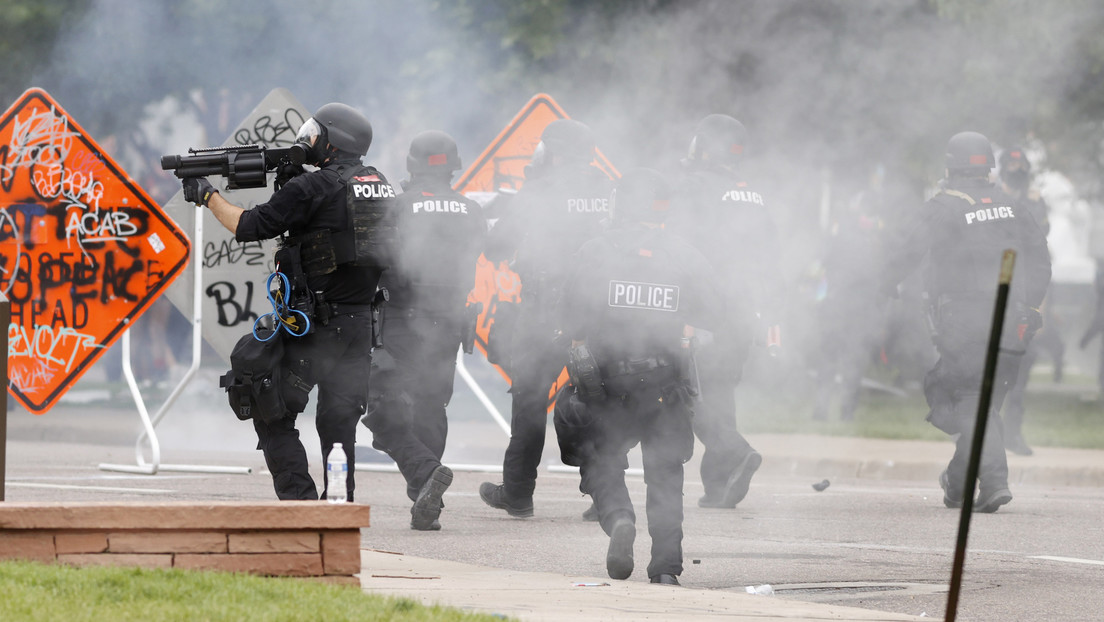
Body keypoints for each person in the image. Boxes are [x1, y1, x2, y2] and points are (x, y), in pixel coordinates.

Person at [183, 102, 388, 502]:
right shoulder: (378, 183)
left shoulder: (313, 187)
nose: (309, 138)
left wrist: (207, 195)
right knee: (338, 426)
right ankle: (339, 506)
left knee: (268, 408)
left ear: (332, 141)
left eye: (317, 132)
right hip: (360, 325)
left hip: (318, 329)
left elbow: (248, 225)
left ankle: (301, 505)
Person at [555, 168, 723, 585]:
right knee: (665, 476)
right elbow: (715, 313)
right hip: (666, 384)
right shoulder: (685, 254)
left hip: (607, 385)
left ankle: (619, 519)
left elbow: (569, 318)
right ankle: (665, 568)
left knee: (600, 457)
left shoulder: (595, 251)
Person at [881, 131, 1051, 513]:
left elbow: (905, 251)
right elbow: (1042, 260)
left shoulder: (943, 207)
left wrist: (883, 284)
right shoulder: (1012, 206)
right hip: (1013, 319)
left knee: (968, 400)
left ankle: (994, 481)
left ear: (950, 167)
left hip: (965, 321)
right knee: (984, 407)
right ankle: (957, 483)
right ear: (988, 166)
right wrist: (1029, 306)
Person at [479, 119, 614, 518]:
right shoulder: (606, 189)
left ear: (554, 152)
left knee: (530, 400)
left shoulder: (539, 190)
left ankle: (518, 493)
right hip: (600, 313)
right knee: (596, 399)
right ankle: (607, 495)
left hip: (547, 313)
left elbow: (497, 247)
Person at [361, 130, 486, 530]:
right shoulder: (472, 211)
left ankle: (425, 474)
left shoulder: (398, 207)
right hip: (448, 322)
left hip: (402, 319)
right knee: (432, 406)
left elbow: (374, 258)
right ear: (453, 167)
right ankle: (424, 500)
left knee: (382, 409)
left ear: (412, 165)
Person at [666, 114, 785, 509]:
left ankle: (735, 451)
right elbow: (771, 257)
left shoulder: (692, 187)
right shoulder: (752, 194)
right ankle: (719, 487)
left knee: (691, 393)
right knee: (719, 393)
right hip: (743, 312)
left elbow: (677, 247)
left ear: (704, 147)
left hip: (703, 310)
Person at [997, 145, 1062, 456]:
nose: (1017, 174)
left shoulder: (1035, 201)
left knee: (1023, 363)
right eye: (1012, 169)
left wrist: (1040, 305)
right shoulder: (991, 199)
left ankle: (1012, 432)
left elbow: (1040, 250)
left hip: (1024, 290)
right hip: (995, 286)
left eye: (1021, 169)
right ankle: (981, 436)